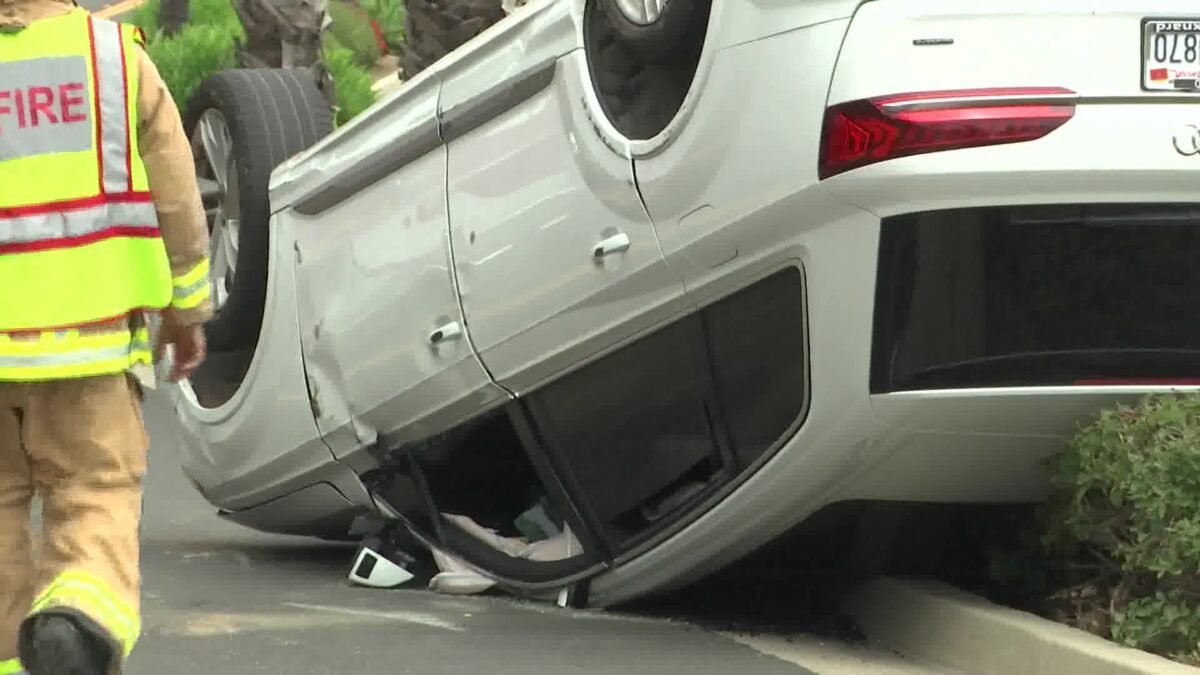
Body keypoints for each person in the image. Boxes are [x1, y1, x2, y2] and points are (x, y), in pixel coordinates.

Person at [0, 0, 212, 672]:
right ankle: (80, 614)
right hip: (88, 348)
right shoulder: (113, 59)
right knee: (94, 491)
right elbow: (176, 192)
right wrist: (186, 306)